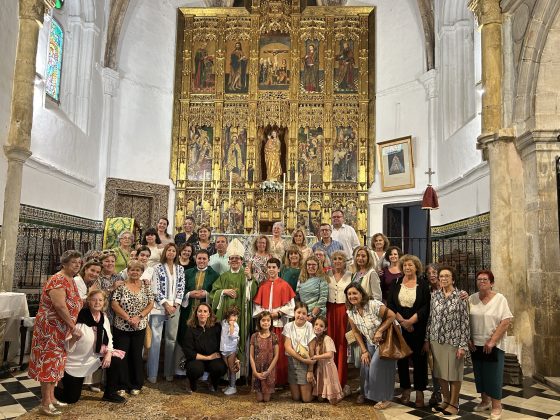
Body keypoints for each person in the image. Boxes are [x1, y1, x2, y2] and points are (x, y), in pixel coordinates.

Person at [28, 250, 83, 417]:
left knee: (57, 364)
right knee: (48, 364)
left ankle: (51, 398)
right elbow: (60, 306)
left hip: (61, 329)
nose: (77, 265)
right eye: (74, 262)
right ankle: (44, 404)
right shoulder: (57, 280)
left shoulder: (71, 280)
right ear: (64, 264)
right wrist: (73, 327)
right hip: (50, 329)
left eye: (79, 262)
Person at [54, 290, 125, 404]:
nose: (97, 302)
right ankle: (51, 389)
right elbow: (67, 348)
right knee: (71, 399)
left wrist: (109, 353)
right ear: (88, 301)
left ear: (104, 302)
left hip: (95, 358)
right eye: (94, 300)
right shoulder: (79, 317)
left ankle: (110, 394)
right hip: (76, 362)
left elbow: (109, 338)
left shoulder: (103, 317)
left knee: (115, 360)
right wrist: (73, 338)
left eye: (100, 300)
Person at [423, 266, 470, 416]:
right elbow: (431, 319)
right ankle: (446, 400)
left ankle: (454, 404)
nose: (443, 278)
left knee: (454, 373)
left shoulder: (460, 296)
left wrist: (463, 345)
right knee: (440, 373)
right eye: (441, 276)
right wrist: (427, 339)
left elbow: (465, 322)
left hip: (454, 341)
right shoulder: (434, 296)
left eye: (447, 276)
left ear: (453, 279)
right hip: (436, 340)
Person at [209, 239, 257, 378]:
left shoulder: (246, 275)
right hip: (225, 318)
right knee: (225, 343)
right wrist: (224, 291)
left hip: (242, 317)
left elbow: (252, 293)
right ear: (228, 261)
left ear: (242, 261)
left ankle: (240, 375)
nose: (235, 260)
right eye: (232, 258)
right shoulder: (223, 276)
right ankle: (226, 376)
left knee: (240, 341)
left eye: (237, 258)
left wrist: (249, 280)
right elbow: (214, 292)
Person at [469, 270, 513, 420]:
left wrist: (493, 340)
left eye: (485, 279)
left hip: (494, 344)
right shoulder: (471, 299)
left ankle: (496, 406)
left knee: (493, 376)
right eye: (479, 279)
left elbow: (506, 321)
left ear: (492, 283)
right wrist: (469, 339)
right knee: (480, 374)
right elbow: (465, 320)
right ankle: (484, 401)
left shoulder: (500, 299)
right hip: (476, 343)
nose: (481, 281)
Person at [388, 254, 431, 407]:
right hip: (400, 326)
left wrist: (412, 321)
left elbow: (426, 305)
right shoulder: (396, 282)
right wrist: (402, 321)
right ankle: (405, 389)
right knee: (402, 359)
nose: (407, 268)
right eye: (405, 265)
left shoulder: (423, 284)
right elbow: (391, 304)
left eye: (410, 265)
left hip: (417, 326)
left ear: (416, 267)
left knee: (420, 360)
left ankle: (419, 391)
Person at [346, 282, 397, 409]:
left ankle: (385, 398)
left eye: (354, 293)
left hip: (387, 338)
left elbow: (391, 316)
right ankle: (367, 394)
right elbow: (356, 332)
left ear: (361, 294)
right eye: (349, 294)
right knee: (366, 364)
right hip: (370, 340)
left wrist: (380, 331)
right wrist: (364, 351)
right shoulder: (351, 312)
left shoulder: (373, 304)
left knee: (377, 366)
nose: (352, 296)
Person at [111, 260, 154, 396]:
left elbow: (150, 303)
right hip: (121, 326)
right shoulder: (121, 285)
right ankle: (121, 385)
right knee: (121, 356)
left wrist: (138, 317)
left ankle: (136, 384)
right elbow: (114, 304)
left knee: (136, 355)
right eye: (132, 270)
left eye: (138, 270)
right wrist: (128, 318)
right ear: (127, 271)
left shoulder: (146, 286)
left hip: (139, 327)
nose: (135, 272)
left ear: (141, 272)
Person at [253, 258, 296, 386]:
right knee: (264, 352)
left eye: (274, 267)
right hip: (265, 325)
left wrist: (278, 313)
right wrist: (265, 315)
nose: (271, 270)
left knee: (278, 352)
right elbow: (257, 306)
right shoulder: (263, 285)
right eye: (269, 267)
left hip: (278, 324)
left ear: (278, 269)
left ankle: (279, 381)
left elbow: (290, 305)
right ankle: (264, 379)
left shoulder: (284, 285)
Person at [176, 249, 220, 371]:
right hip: (188, 310)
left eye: (204, 259)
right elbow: (179, 289)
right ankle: (183, 367)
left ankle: (202, 367)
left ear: (208, 260)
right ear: (195, 259)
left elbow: (216, 292)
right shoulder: (187, 273)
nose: (201, 261)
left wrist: (206, 294)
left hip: (204, 313)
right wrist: (189, 294)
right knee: (185, 335)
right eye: (199, 258)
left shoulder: (215, 275)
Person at [148, 243, 185, 383]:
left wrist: (175, 304)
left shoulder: (180, 269)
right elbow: (155, 288)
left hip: (175, 307)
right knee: (156, 340)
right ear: (165, 252)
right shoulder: (157, 268)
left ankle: (168, 372)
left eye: (173, 250)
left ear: (176, 253)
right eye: (168, 250)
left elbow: (181, 288)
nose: (171, 252)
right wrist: (165, 304)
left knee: (171, 340)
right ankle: (152, 373)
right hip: (158, 307)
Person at [181, 303, 228, 393]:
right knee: (194, 369)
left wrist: (235, 358)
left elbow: (224, 343)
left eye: (205, 311)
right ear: (196, 314)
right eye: (200, 311)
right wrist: (208, 357)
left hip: (213, 358)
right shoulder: (190, 329)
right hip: (197, 359)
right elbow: (188, 352)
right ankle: (192, 383)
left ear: (209, 314)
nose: (202, 314)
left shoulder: (217, 327)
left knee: (220, 367)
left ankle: (212, 381)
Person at [326, 251, 352, 391]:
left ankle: (341, 381)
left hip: (343, 311)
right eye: (334, 259)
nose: (337, 261)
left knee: (342, 344)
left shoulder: (350, 275)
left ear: (344, 261)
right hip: (330, 311)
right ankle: (329, 381)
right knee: (329, 344)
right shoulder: (326, 275)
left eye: (340, 259)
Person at [283, 301, 316, 403]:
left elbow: (311, 349)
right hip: (292, 361)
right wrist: (301, 359)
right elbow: (287, 347)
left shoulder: (309, 326)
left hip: (305, 362)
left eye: (304, 313)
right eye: (298, 312)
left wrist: (310, 370)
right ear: (294, 313)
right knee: (296, 398)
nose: (301, 316)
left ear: (307, 315)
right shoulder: (288, 326)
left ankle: (316, 390)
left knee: (306, 399)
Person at [309, 316, 344, 404]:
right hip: (320, 368)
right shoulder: (313, 339)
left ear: (325, 329)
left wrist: (316, 357)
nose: (318, 327)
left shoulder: (327, 339)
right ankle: (325, 393)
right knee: (320, 399)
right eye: (316, 324)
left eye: (321, 326)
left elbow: (330, 354)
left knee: (333, 400)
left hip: (328, 368)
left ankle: (344, 393)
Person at [250, 311, 279, 402]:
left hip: (269, 370)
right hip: (258, 369)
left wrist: (268, 371)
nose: (265, 322)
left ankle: (268, 391)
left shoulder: (274, 336)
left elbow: (276, 355)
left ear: (271, 322)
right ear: (259, 322)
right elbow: (251, 355)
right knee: (259, 399)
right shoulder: (254, 336)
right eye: (263, 320)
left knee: (266, 400)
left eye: (268, 320)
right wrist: (255, 371)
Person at [425, 263, 442, 406]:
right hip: (430, 331)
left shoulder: (450, 290)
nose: (432, 275)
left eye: (434, 272)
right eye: (429, 273)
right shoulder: (427, 291)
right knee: (434, 364)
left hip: (447, 333)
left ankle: (448, 393)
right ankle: (437, 392)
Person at [220, 306, 241, 395]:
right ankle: (230, 385)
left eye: (236, 316)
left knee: (231, 368)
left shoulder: (235, 326)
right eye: (233, 315)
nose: (234, 318)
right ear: (228, 316)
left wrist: (232, 325)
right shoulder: (224, 323)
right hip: (223, 349)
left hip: (231, 350)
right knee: (228, 368)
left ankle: (233, 386)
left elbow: (232, 335)